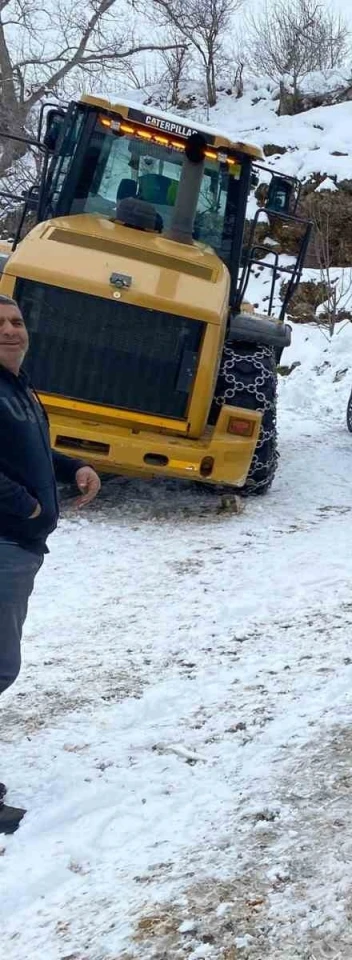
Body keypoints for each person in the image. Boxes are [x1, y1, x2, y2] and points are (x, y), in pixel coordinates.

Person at [0, 294, 101, 833]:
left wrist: (73, 467)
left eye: (16, 321)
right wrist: (29, 507)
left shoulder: (19, 390)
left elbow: (29, 453)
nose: (11, 331)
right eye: (0, 324)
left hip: (18, 548)